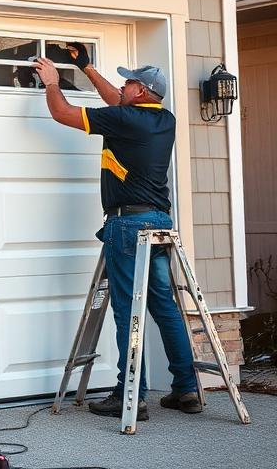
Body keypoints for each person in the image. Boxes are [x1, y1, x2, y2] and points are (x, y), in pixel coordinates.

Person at [33, 45, 200, 420]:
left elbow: (61, 113)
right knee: (163, 306)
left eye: (127, 83)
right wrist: (87, 68)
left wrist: (52, 83)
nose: (121, 88)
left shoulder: (127, 120)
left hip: (128, 225)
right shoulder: (163, 118)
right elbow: (117, 103)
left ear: (140, 92)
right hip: (158, 223)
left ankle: (131, 394)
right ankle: (186, 388)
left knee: (127, 311)